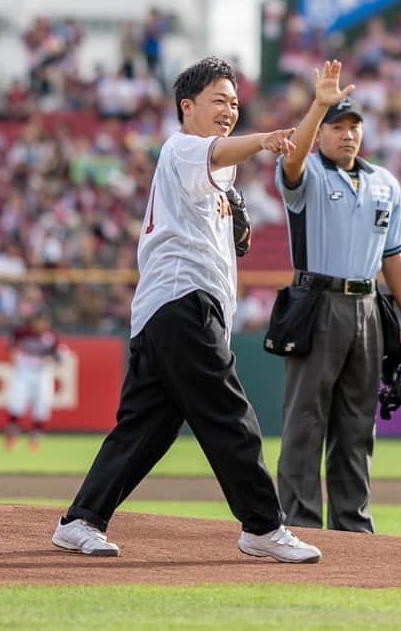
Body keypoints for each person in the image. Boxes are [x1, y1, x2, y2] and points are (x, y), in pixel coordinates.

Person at [52, 56, 321, 563]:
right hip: (183, 300)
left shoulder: (217, 168)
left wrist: (313, 111)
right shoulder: (182, 147)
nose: (230, 109)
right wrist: (264, 138)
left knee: (145, 426)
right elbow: (221, 150)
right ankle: (263, 527)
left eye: (236, 103)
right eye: (219, 100)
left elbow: (230, 167)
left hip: (165, 306)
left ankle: (81, 520)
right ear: (187, 105)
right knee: (229, 414)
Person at [274, 60, 401, 533]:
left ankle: (352, 524)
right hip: (317, 299)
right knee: (306, 419)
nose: (347, 135)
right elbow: (291, 159)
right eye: (337, 127)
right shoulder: (309, 173)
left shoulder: (385, 182)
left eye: (353, 127)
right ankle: (297, 521)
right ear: (320, 134)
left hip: (367, 304)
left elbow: (394, 255)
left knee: (358, 422)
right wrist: (318, 105)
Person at [4, 310, 61, 452]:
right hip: (24, 371)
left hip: (42, 373)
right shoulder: (23, 332)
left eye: (44, 322)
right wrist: (13, 354)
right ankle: (12, 434)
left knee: (42, 405)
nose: (41, 325)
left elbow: (59, 357)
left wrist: (53, 358)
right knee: (16, 403)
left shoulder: (51, 337)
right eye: (39, 321)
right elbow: (11, 343)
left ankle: (35, 438)